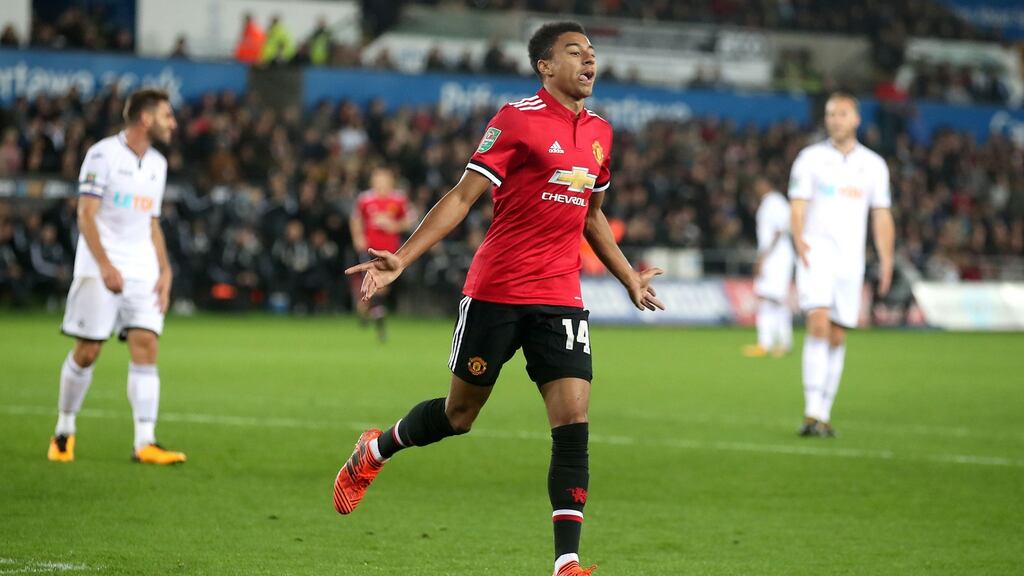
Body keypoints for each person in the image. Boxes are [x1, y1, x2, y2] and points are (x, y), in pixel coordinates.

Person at [335, 22, 664, 576]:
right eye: (574, 53)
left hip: (560, 297)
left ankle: (567, 562)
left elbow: (593, 214)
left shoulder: (602, 133)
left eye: (593, 54)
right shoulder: (516, 120)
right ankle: (376, 449)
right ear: (544, 65)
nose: (589, 62)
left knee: (573, 420)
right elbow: (464, 196)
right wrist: (404, 258)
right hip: (497, 291)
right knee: (458, 415)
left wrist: (628, 275)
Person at [48, 88, 186, 465]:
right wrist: (106, 265)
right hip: (99, 266)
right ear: (146, 118)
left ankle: (145, 442)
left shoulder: (157, 163)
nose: (173, 123)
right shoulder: (102, 155)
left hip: (142, 268)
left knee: (147, 345)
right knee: (88, 350)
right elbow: (85, 215)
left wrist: (165, 269)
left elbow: (151, 221)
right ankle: (63, 431)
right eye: (167, 116)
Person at [789, 92, 894, 437]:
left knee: (836, 334)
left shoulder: (874, 165)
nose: (836, 119)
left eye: (843, 113)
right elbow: (798, 204)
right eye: (831, 114)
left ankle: (822, 413)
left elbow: (881, 215)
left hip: (852, 260)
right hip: (816, 251)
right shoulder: (810, 158)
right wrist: (798, 238)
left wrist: (887, 258)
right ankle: (810, 413)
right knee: (818, 323)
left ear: (856, 119)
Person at [349, 166, 413, 341]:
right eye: (377, 179)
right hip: (369, 250)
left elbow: (409, 220)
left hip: (391, 252)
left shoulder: (398, 199)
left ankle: (365, 312)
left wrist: (394, 225)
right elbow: (356, 220)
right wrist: (358, 238)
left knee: (378, 290)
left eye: (384, 179)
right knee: (375, 288)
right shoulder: (365, 199)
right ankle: (380, 327)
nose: (381, 183)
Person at [743, 176, 794, 357]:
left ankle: (783, 343)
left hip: (777, 258)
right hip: (774, 257)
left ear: (765, 184)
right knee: (767, 299)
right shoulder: (770, 203)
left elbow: (780, 230)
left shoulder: (775, 202)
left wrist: (763, 258)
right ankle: (766, 343)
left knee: (776, 300)